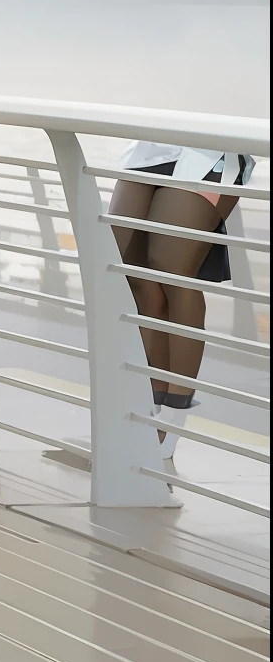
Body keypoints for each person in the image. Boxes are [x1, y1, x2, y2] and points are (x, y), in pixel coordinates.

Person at [109, 143, 257, 454]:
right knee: (132, 273)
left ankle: (172, 419)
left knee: (173, 271)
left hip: (211, 153)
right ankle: (147, 405)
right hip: (147, 147)